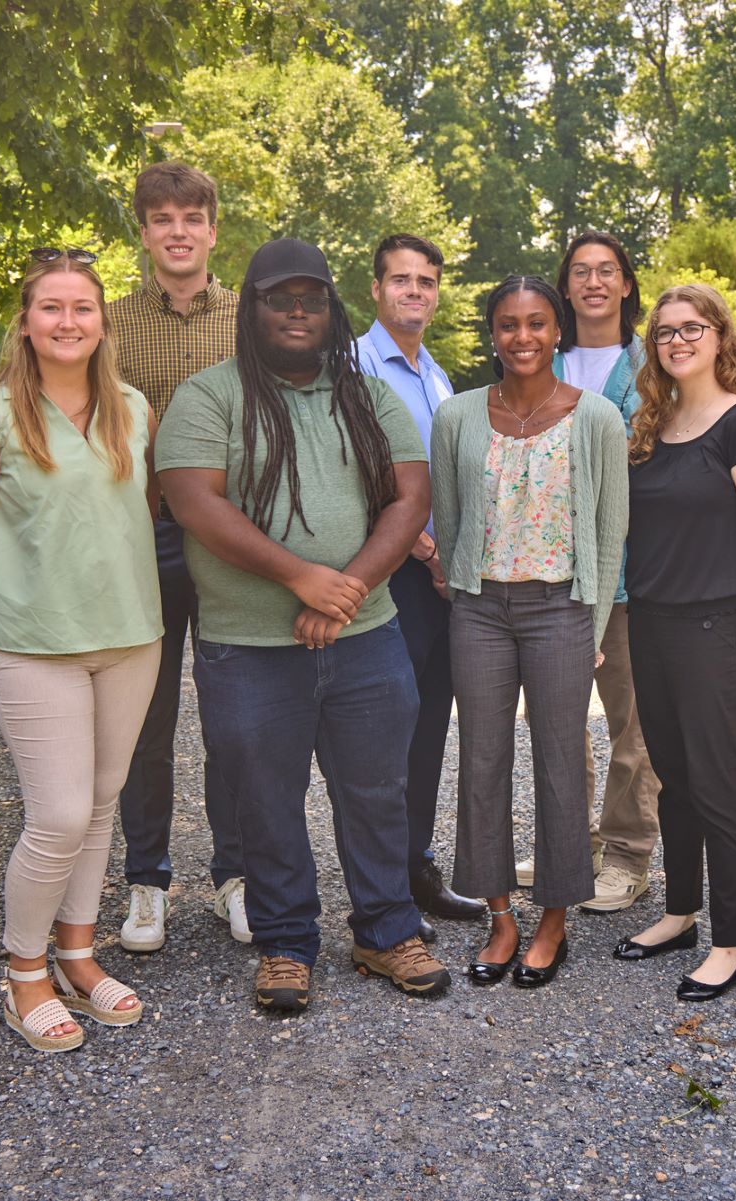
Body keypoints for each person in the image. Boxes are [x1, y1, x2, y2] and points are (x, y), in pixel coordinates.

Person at [157, 238, 450, 1013]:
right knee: (266, 797)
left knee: (377, 790)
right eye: (279, 298)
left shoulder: (365, 394)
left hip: (367, 638)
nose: (296, 311)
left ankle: (386, 930)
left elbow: (410, 496)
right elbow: (195, 502)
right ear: (249, 308)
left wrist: (348, 587)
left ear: (332, 308)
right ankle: (287, 943)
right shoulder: (208, 395)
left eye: (311, 298)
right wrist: (302, 578)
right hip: (248, 648)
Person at [0, 247, 160, 1053]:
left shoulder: (133, 407)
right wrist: (12, 605)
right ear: (25, 323)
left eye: (83, 308)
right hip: (36, 645)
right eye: (52, 307)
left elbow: (134, 518)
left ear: (102, 322)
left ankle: (77, 951)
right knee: (57, 813)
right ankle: (23, 971)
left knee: (101, 803)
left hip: (131, 635)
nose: (69, 321)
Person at [432, 275, 628, 989]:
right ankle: (500, 914)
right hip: (480, 609)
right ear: (493, 333)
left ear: (557, 332)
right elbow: (450, 517)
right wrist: (462, 592)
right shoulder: (457, 415)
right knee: (481, 759)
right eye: (509, 324)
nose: (523, 337)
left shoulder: (597, 417)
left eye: (537, 323)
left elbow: (609, 534)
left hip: (560, 609)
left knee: (558, 759)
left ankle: (553, 917)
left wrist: (595, 624)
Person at [611, 285, 736, 1002]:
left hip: (718, 622)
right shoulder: (654, 422)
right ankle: (679, 912)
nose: (677, 340)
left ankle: (731, 942)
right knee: (671, 778)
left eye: (692, 327)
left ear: (719, 337)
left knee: (715, 784)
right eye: (664, 331)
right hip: (651, 619)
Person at [105, 162, 246, 953]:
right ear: (146, 230)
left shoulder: (248, 319)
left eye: (193, 216)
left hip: (230, 538)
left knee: (233, 713)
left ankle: (236, 874)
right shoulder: (114, 321)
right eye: (163, 218)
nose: (179, 230)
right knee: (145, 718)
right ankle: (148, 879)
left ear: (213, 228)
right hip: (144, 533)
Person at [354, 233, 484, 933]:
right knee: (384, 736)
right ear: (375, 289)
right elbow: (363, 477)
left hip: (441, 584)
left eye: (426, 282)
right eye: (400, 280)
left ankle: (415, 867)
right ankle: (380, 893)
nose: (414, 291)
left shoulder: (435, 374)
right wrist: (430, 551)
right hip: (392, 578)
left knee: (430, 725)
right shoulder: (354, 365)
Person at [535, 230, 661, 913]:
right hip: (548, 572)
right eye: (579, 271)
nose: (592, 282)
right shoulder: (540, 358)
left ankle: (627, 853)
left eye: (605, 270)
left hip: (625, 577)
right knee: (557, 719)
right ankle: (567, 842)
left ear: (625, 284)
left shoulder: (649, 366)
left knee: (631, 723)